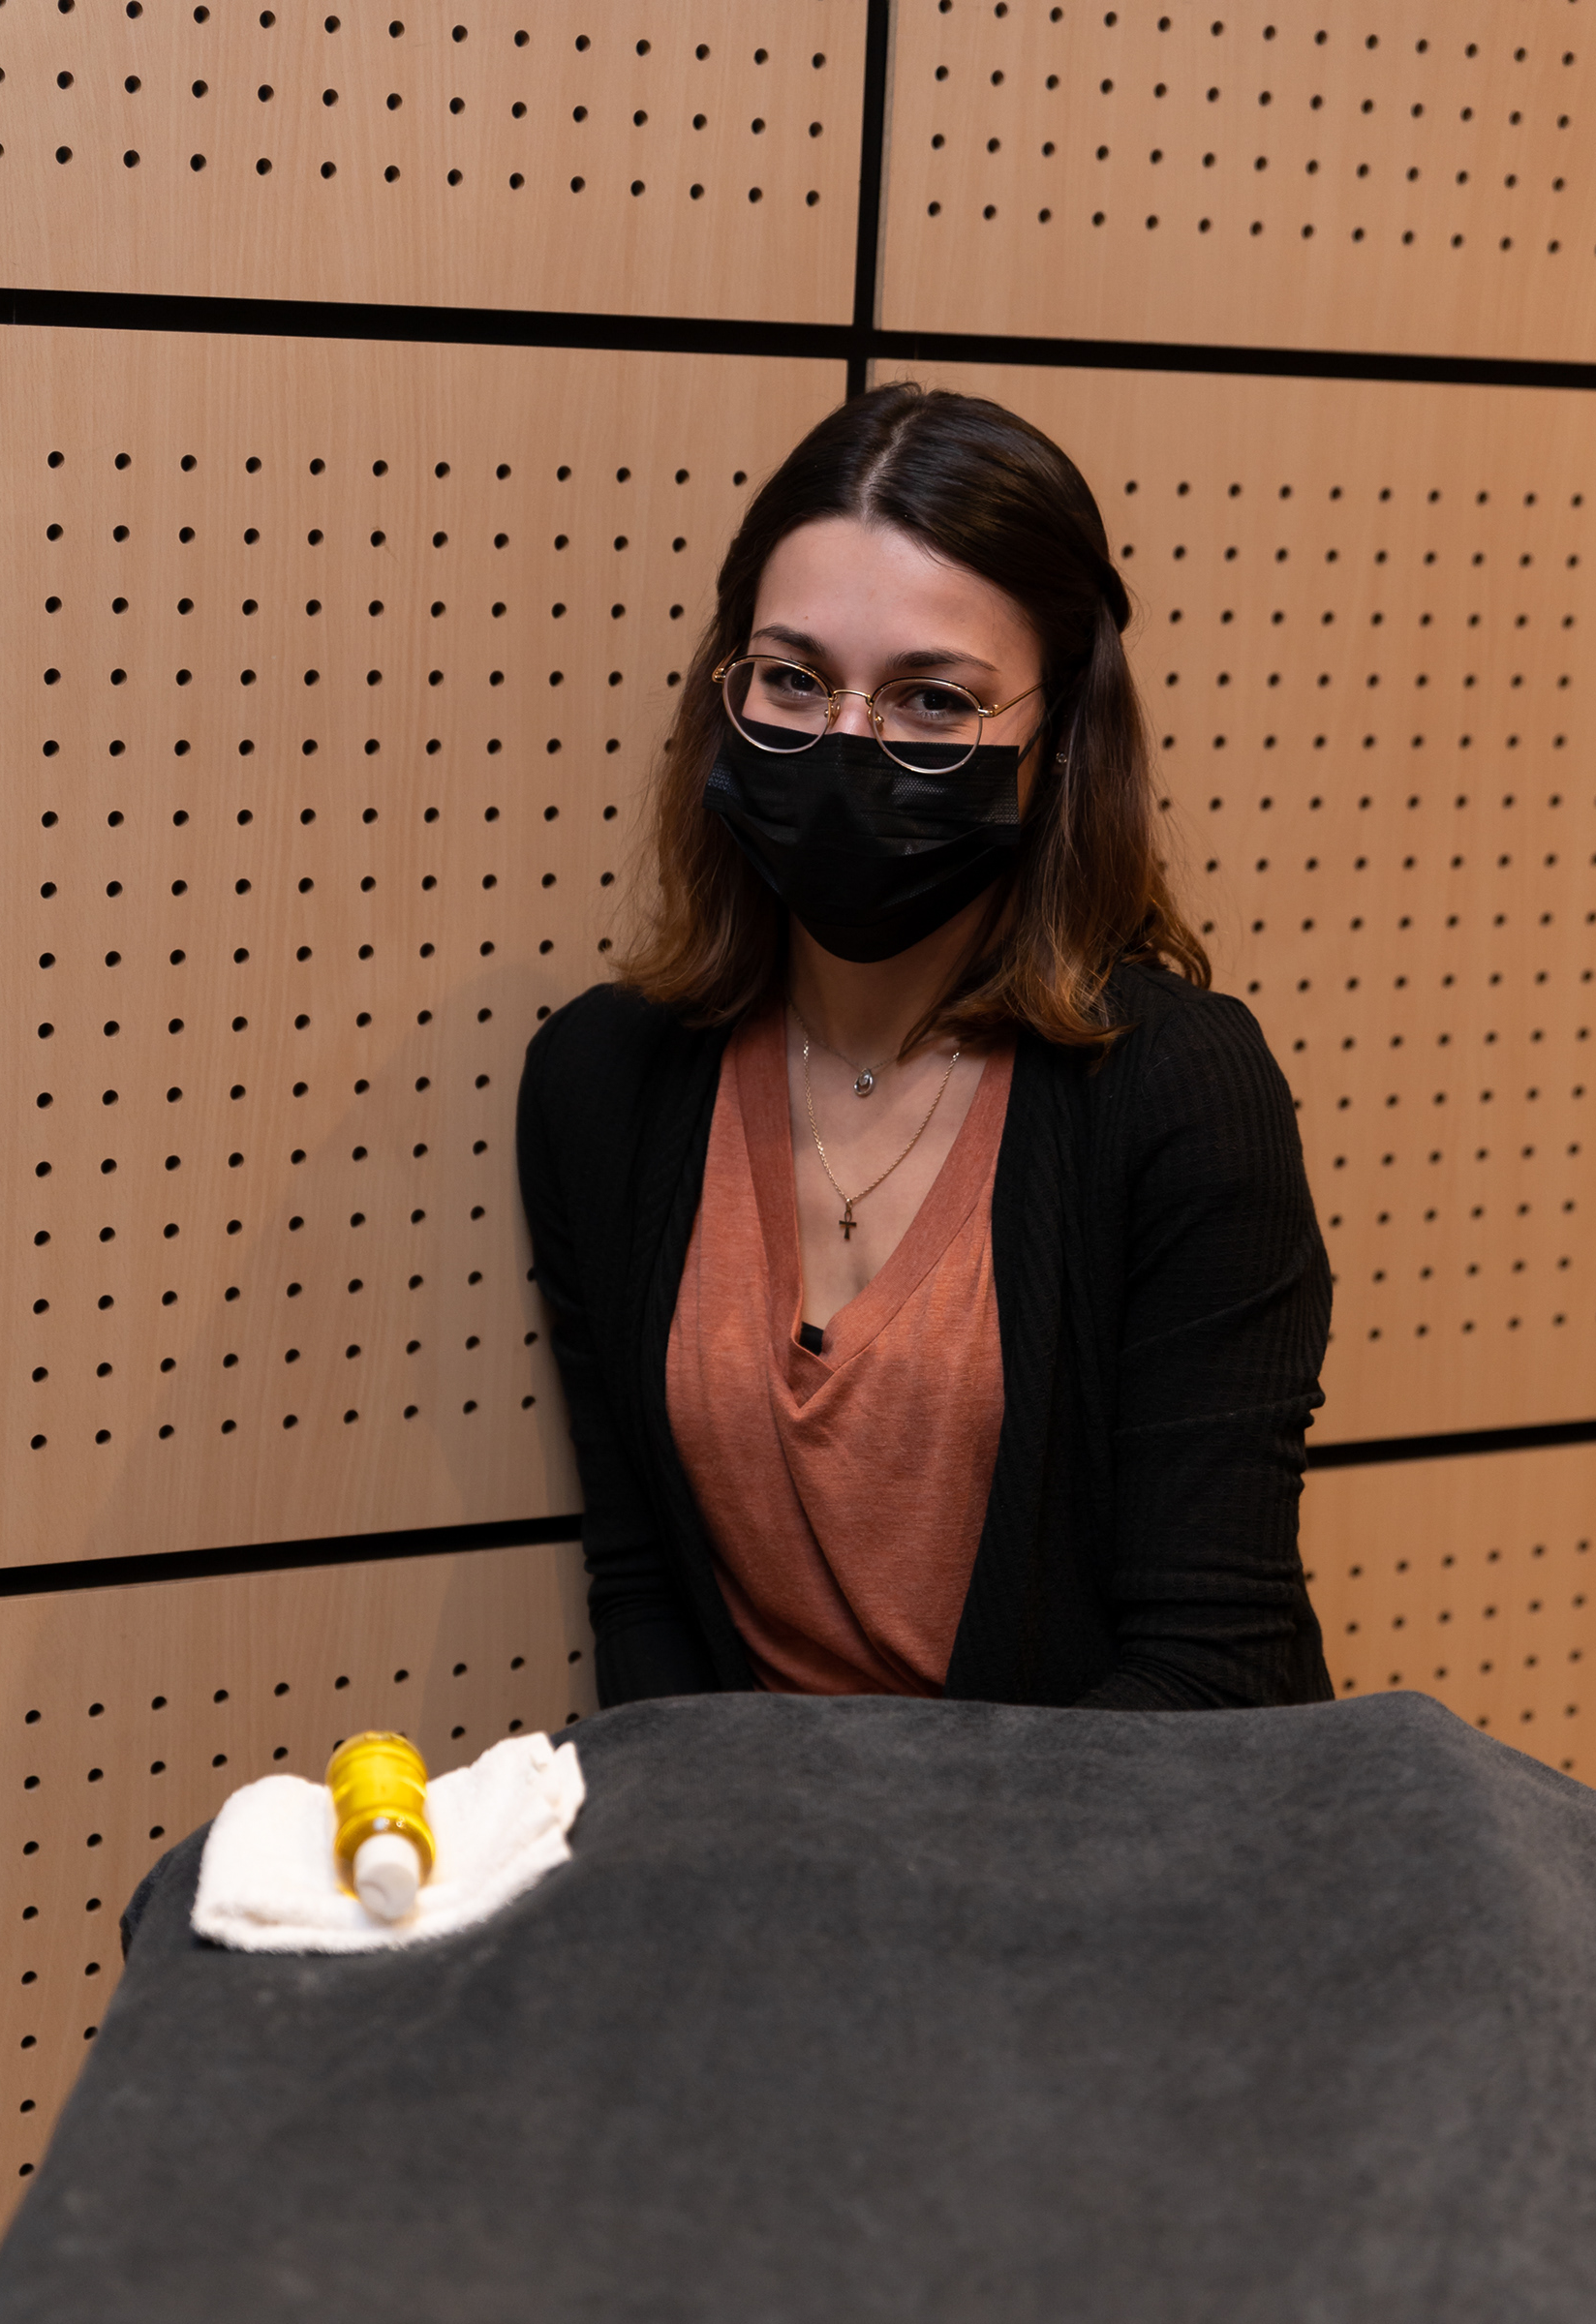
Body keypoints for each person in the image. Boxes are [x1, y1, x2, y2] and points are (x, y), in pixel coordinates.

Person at [516, 382, 1333, 1713]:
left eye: (934, 700)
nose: (847, 743)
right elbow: (643, 1588)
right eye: (794, 679)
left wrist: (910, 1848)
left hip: (1118, 1830)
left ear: (1060, 738)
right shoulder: (603, 1083)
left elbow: (1214, 1670)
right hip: (759, 1832)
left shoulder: (1177, 1091)